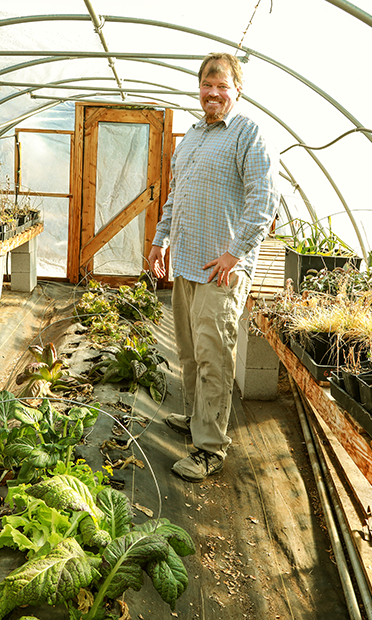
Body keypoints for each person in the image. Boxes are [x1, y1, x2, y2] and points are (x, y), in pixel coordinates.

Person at [147, 52, 279, 482]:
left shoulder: (248, 134)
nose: (214, 93)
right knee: (188, 352)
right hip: (186, 261)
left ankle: (210, 448)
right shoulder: (192, 137)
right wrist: (159, 240)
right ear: (198, 88)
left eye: (223, 86)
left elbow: (264, 202)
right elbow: (175, 195)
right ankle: (194, 418)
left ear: (237, 90)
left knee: (214, 357)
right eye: (208, 85)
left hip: (220, 271)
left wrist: (235, 253)